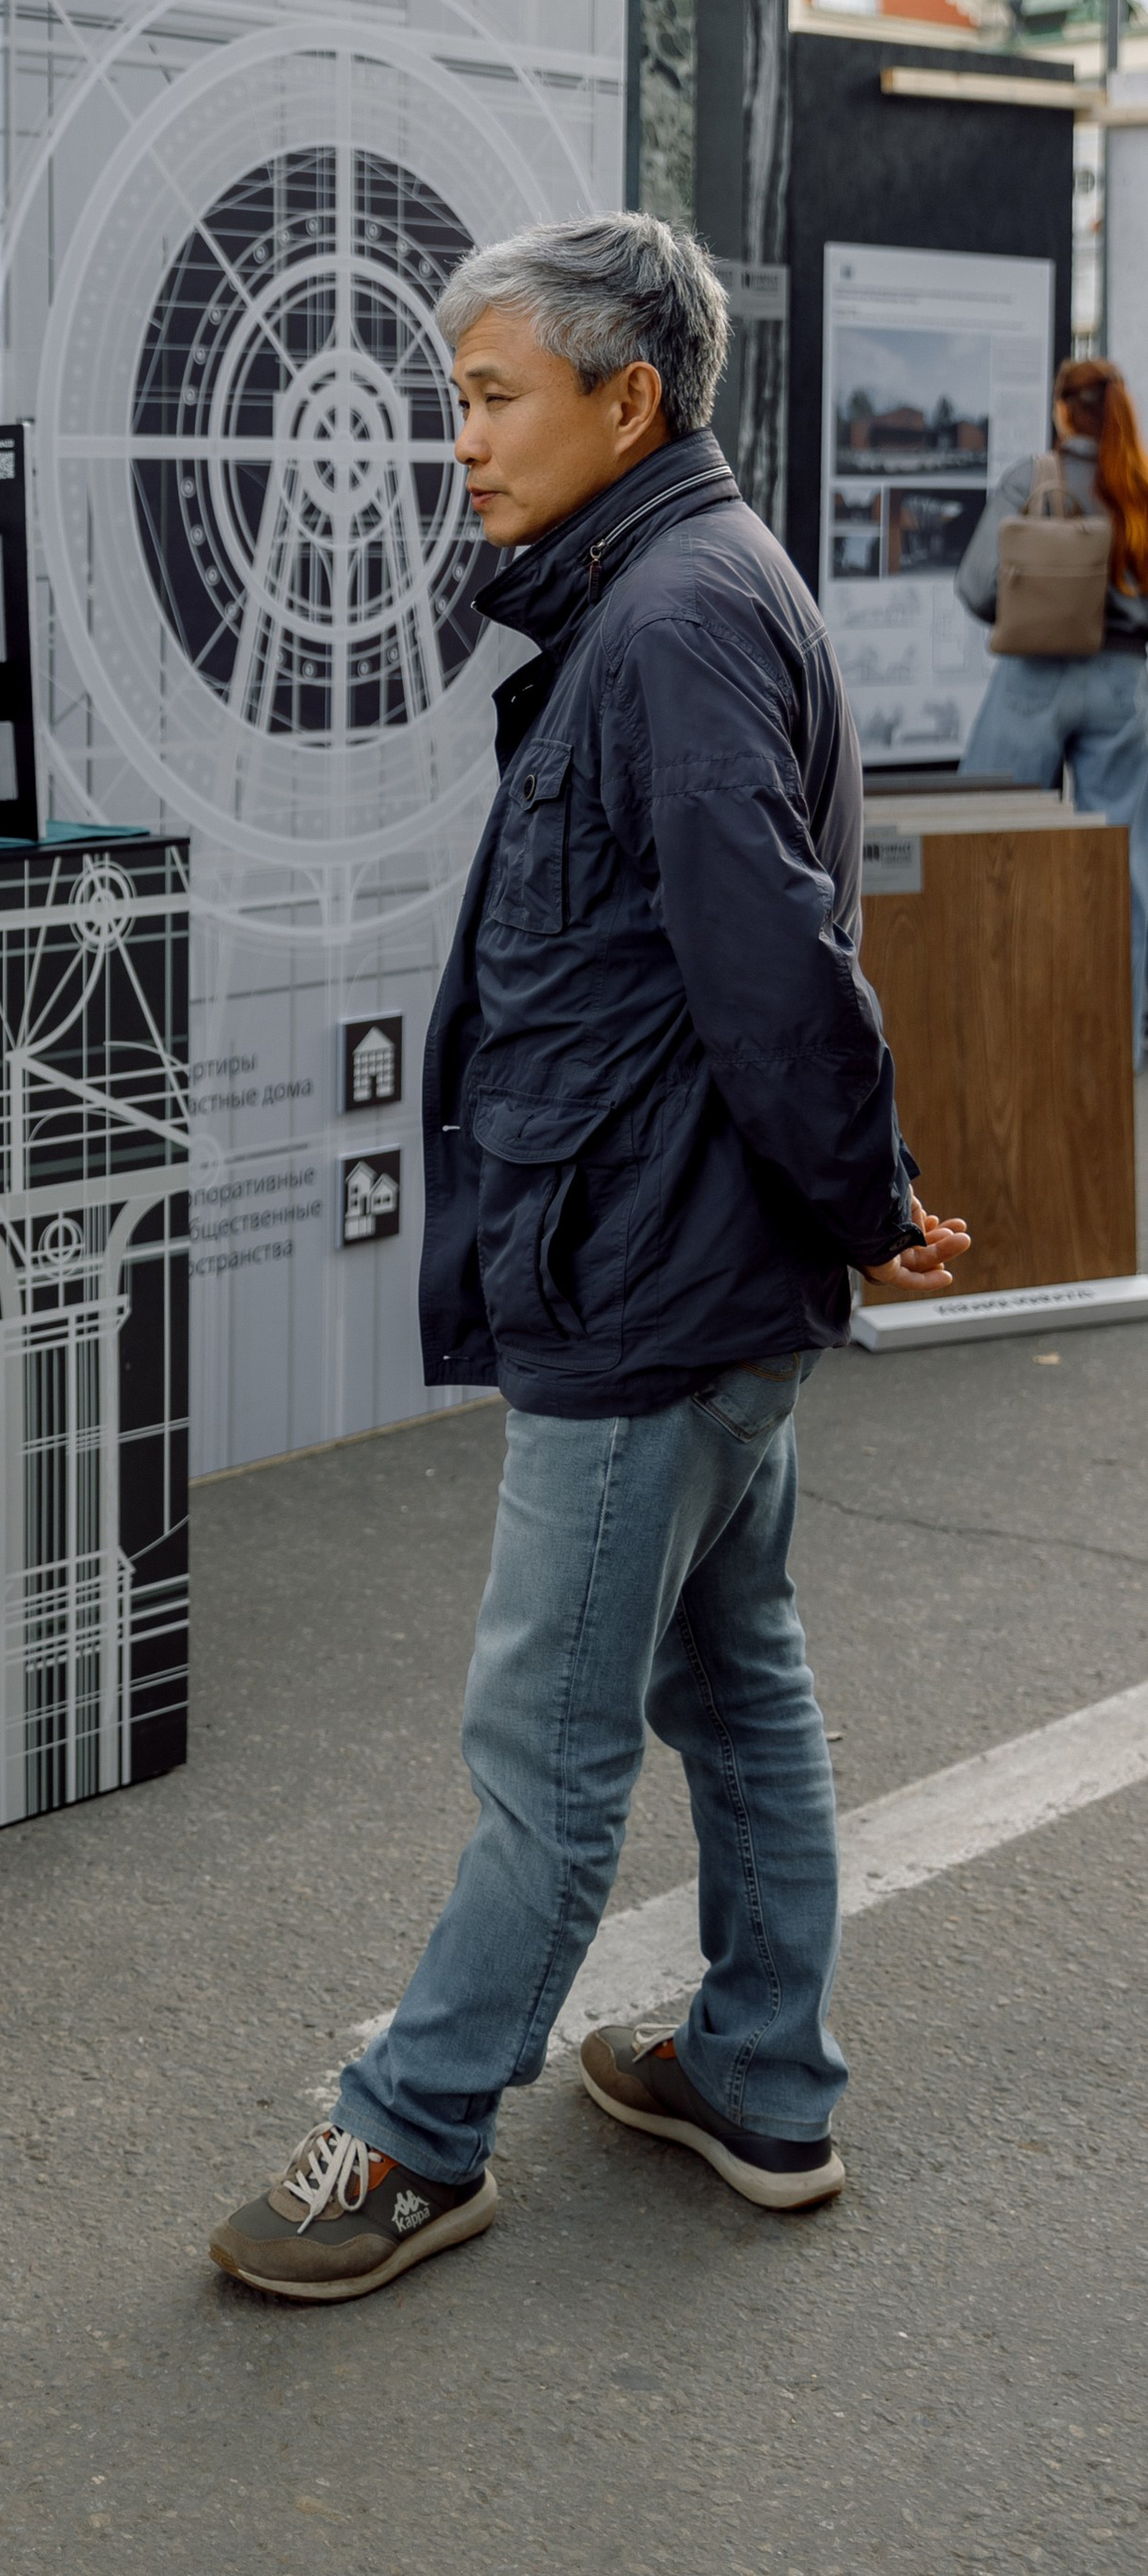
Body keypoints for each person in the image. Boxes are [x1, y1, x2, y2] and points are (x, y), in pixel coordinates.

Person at [207, 212, 971, 2308]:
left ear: (622, 402)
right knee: (732, 1679)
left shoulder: (668, 621)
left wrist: (855, 1195)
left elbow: (768, 959)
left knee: (543, 1742)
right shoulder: (675, 589)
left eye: (486, 396)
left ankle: (411, 2134)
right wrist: (846, 1206)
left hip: (651, 1281)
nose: (454, 440)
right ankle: (754, 2074)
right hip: (686, 1261)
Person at [955, 354, 1148, 1064]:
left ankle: (992, 1033)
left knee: (992, 846)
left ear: (1064, 411)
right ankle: (1115, 1050)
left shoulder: (1030, 479)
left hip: (1034, 675)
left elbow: (977, 587)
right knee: (1129, 868)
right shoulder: (1138, 487)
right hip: (1126, 684)